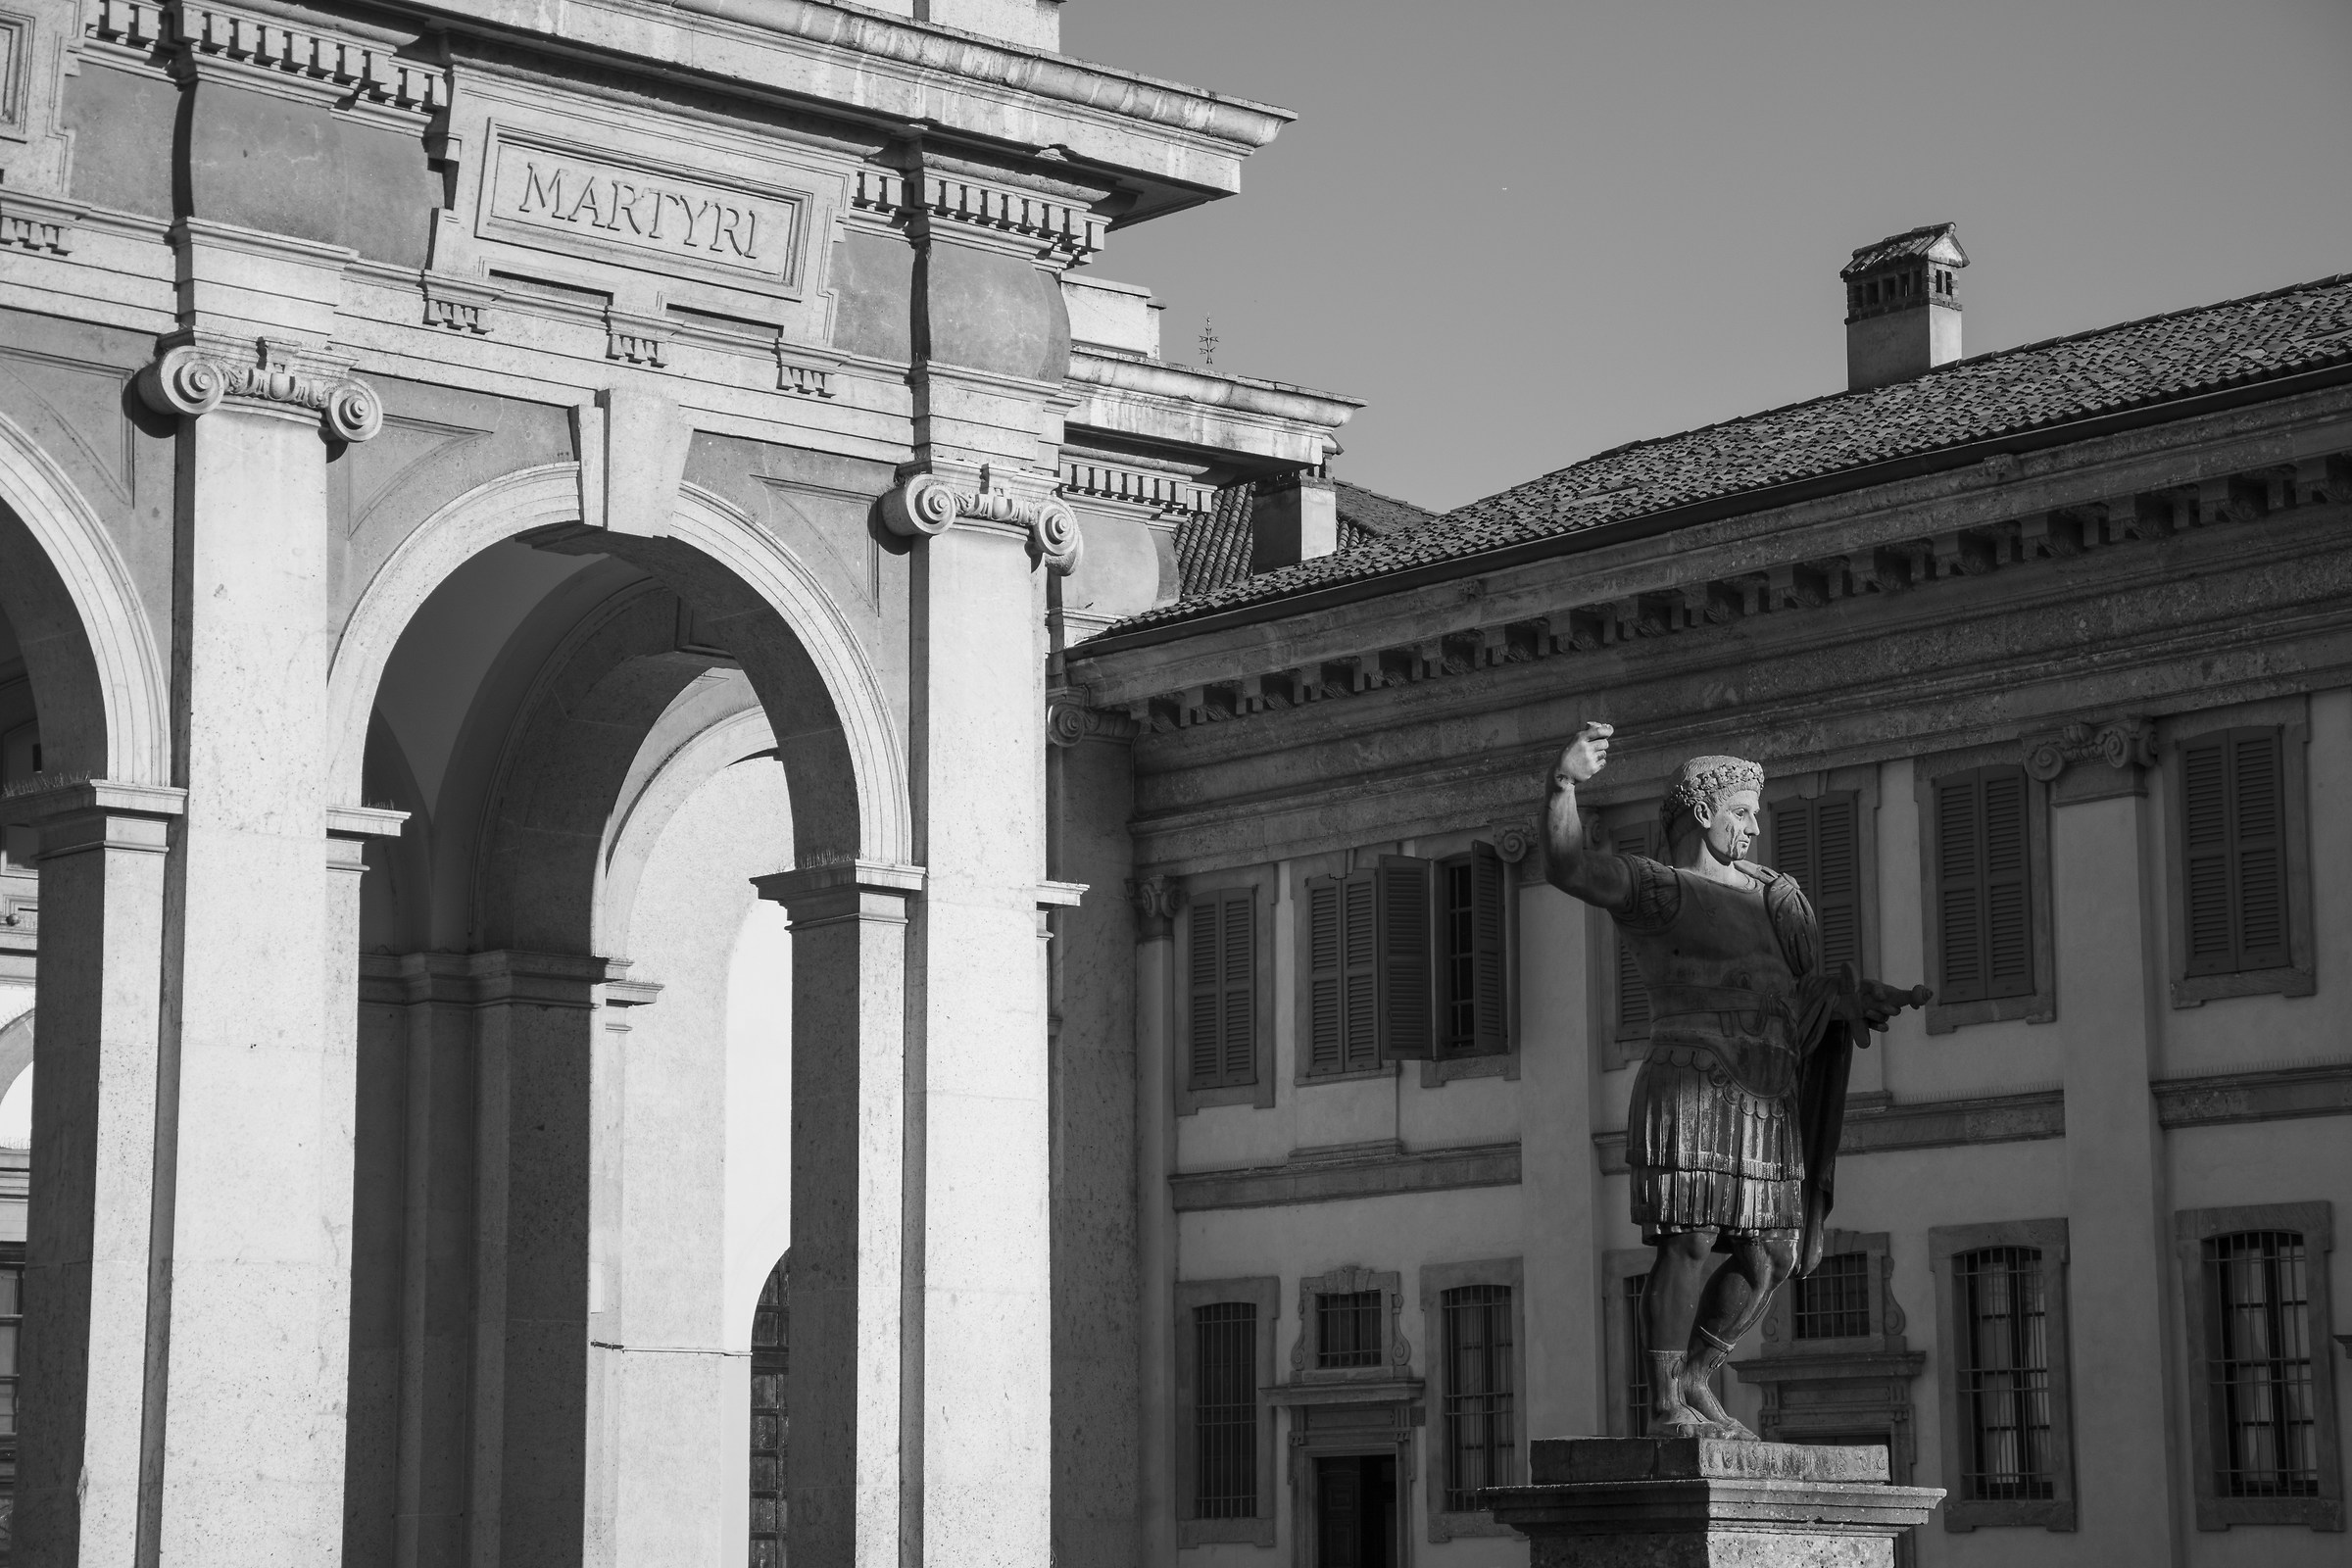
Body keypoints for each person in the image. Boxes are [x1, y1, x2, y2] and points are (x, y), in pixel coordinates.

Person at [1544, 722, 1929, 1439]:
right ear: (1703, 812)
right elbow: (1568, 866)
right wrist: (1564, 784)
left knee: (1775, 1252)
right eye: (1742, 812)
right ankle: (1664, 1403)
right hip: (1691, 1077)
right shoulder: (1660, 891)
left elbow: (1801, 994)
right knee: (1687, 1241)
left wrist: (1853, 999)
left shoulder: (1777, 899)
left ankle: (1694, 1377)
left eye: (1756, 813)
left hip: (1762, 1095)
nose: (1755, 827)